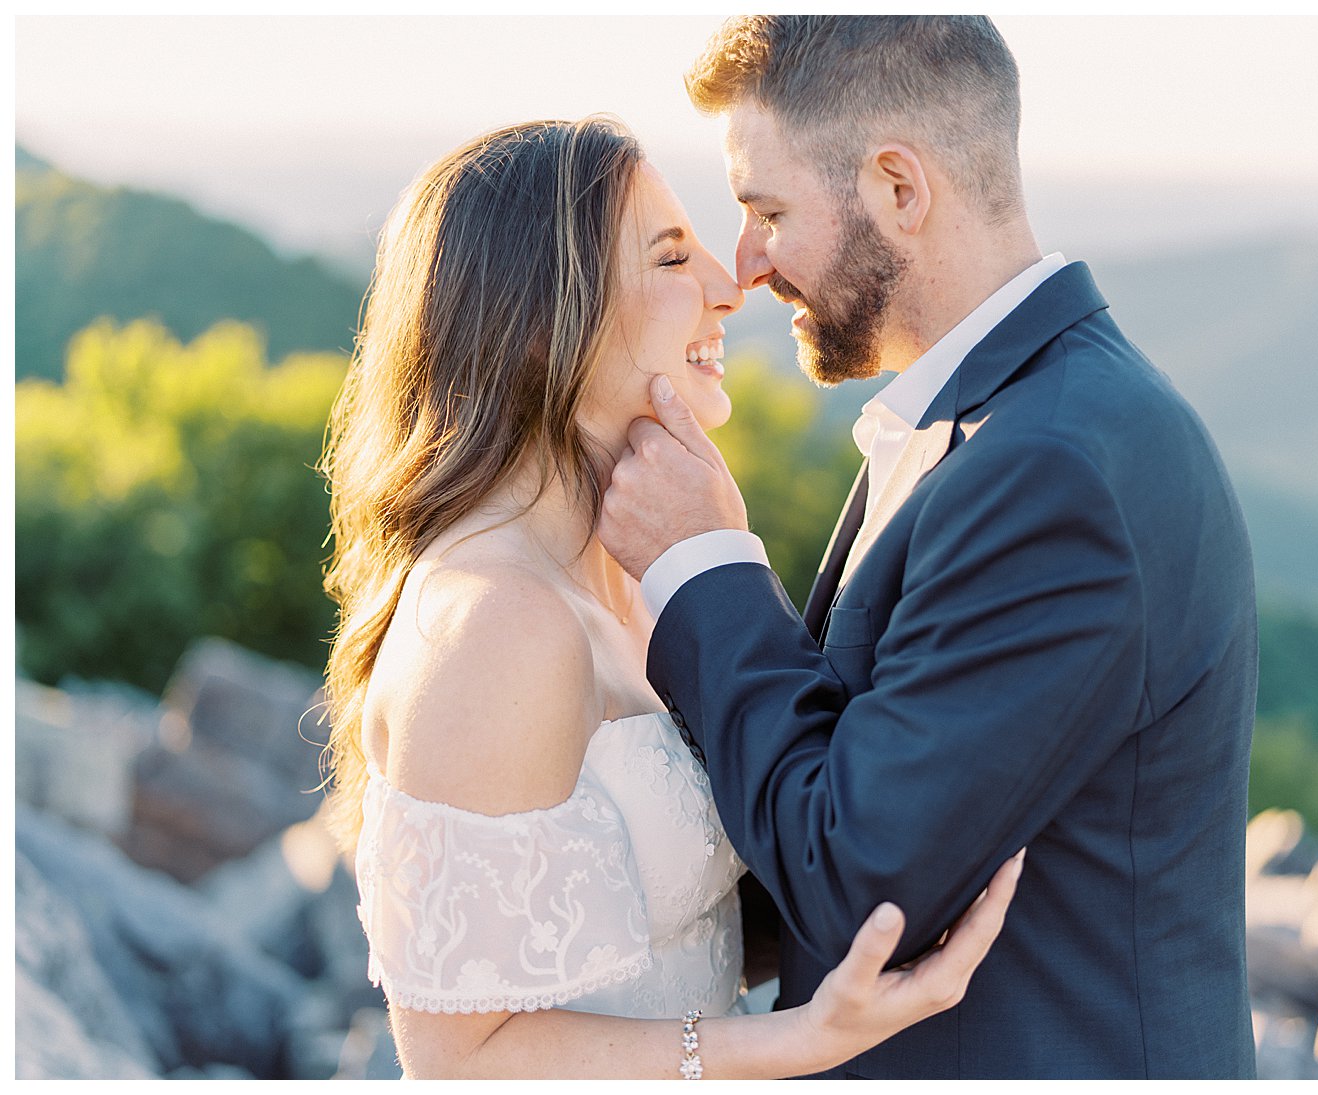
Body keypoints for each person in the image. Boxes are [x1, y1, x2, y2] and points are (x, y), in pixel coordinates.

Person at [598, 16, 1259, 1080]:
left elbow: (860, 887)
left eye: (768, 210)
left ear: (899, 191)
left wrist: (705, 568)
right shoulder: (991, 426)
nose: (747, 262)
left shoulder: (1054, 471)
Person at [319, 117, 1022, 1080]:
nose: (733, 290)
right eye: (669, 258)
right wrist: (795, 1039)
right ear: (539, 325)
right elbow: (461, 1060)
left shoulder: (623, 579)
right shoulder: (496, 619)